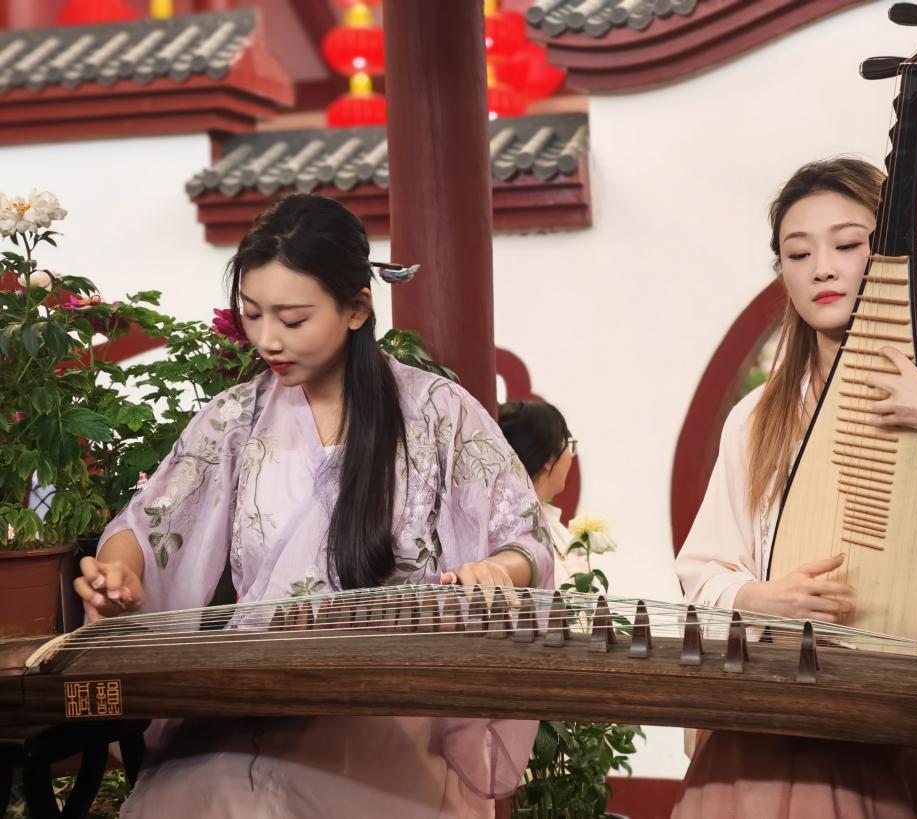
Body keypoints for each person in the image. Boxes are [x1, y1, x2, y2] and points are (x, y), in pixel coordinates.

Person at [74, 194, 554, 819]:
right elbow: (148, 524)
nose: (267, 339)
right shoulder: (237, 418)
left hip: (388, 710)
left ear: (357, 309)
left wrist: (497, 570)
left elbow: (525, 539)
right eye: (252, 314)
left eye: (293, 320)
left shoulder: (439, 413)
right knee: (206, 793)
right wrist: (118, 573)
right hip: (254, 694)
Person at [672, 158, 917, 819]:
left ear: (892, 260)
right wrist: (763, 597)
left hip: (893, 718)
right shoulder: (756, 418)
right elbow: (702, 571)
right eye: (798, 254)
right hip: (769, 722)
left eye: (848, 244)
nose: (822, 269)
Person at [498, 400, 585, 588]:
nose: (570, 456)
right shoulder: (511, 527)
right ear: (549, 459)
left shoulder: (549, 522)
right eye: (567, 445)